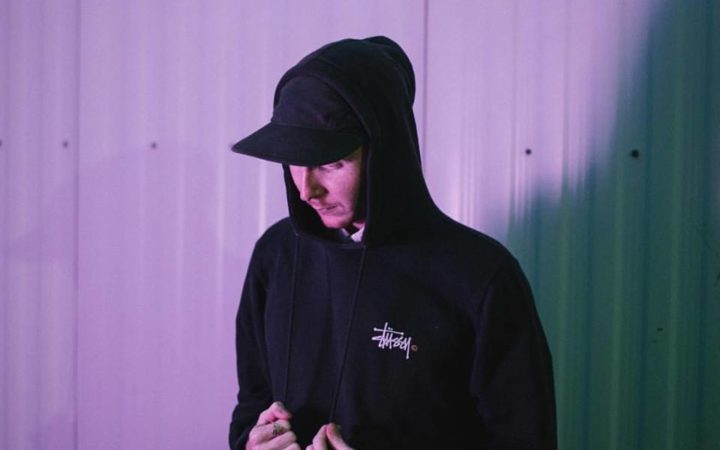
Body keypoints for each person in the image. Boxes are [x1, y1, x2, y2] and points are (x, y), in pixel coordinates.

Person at [229, 36, 556, 450]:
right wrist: (253, 442)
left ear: (385, 153)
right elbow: (251, 404)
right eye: (295, 160)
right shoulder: (275, 255)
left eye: (330, 163)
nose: (307, 189)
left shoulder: (481, 276)